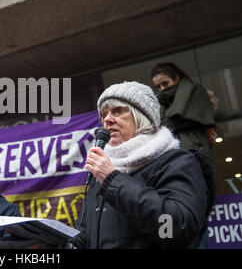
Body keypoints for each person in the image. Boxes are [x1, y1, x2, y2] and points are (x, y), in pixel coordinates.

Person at [73, 81, 215, 249]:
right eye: (104, 114)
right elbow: (85, 240)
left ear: (142, 117)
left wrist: (113, 181)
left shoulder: (177, 162)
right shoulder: (103, 173)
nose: (108, 119)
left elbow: (175, 229)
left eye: (118, 111)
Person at [151, 63, 217, 159]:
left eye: (165, 83)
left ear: (176, 78)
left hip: (194, 150)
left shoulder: (193, 90)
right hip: (171, 155)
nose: (162, 89)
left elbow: (174, 122)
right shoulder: (160, 102)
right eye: (158, 87)